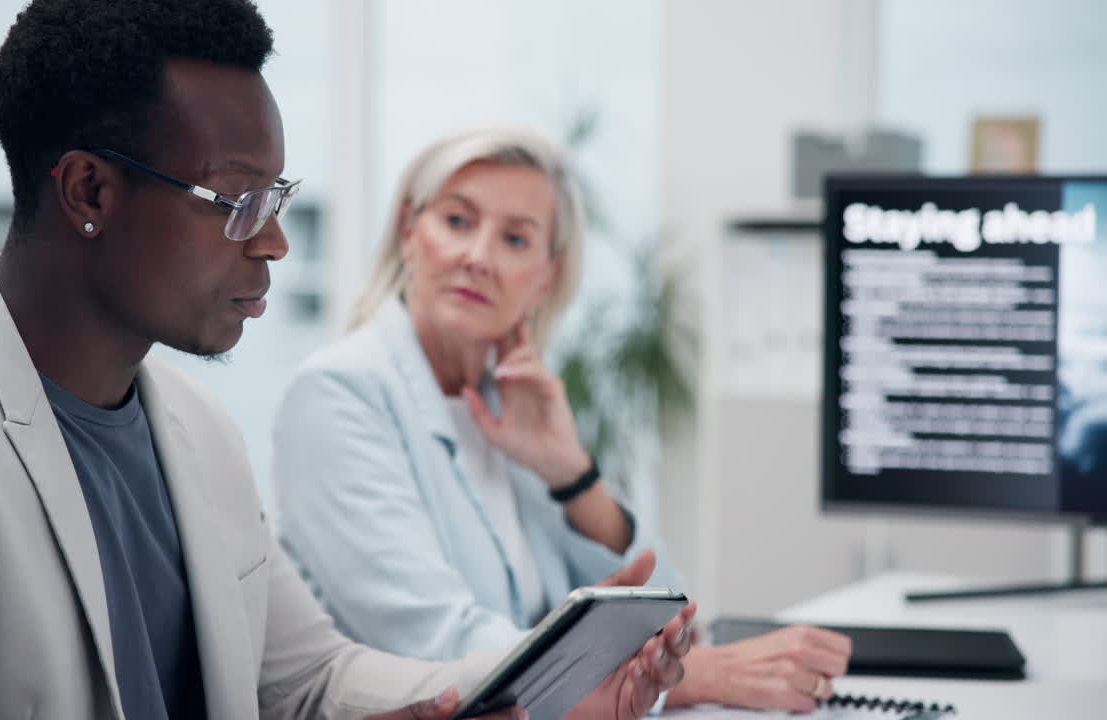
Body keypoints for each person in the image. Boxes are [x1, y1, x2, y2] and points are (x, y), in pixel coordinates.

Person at [0, 3, 695, 719]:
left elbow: (311, 679)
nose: (275, 241)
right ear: (90, 191)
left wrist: (551, 682)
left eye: (275, 198)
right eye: (239, 200)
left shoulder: (196, 427)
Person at [271, 127, 852, 713]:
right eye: (457, 221)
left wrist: (571, 474)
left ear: (545, 278)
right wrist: (699, 676)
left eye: (515, 239)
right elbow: (437, 647)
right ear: (407, 233)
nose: (478, 257)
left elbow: (671, 619)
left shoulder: (512, 405)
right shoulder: (337, 395)